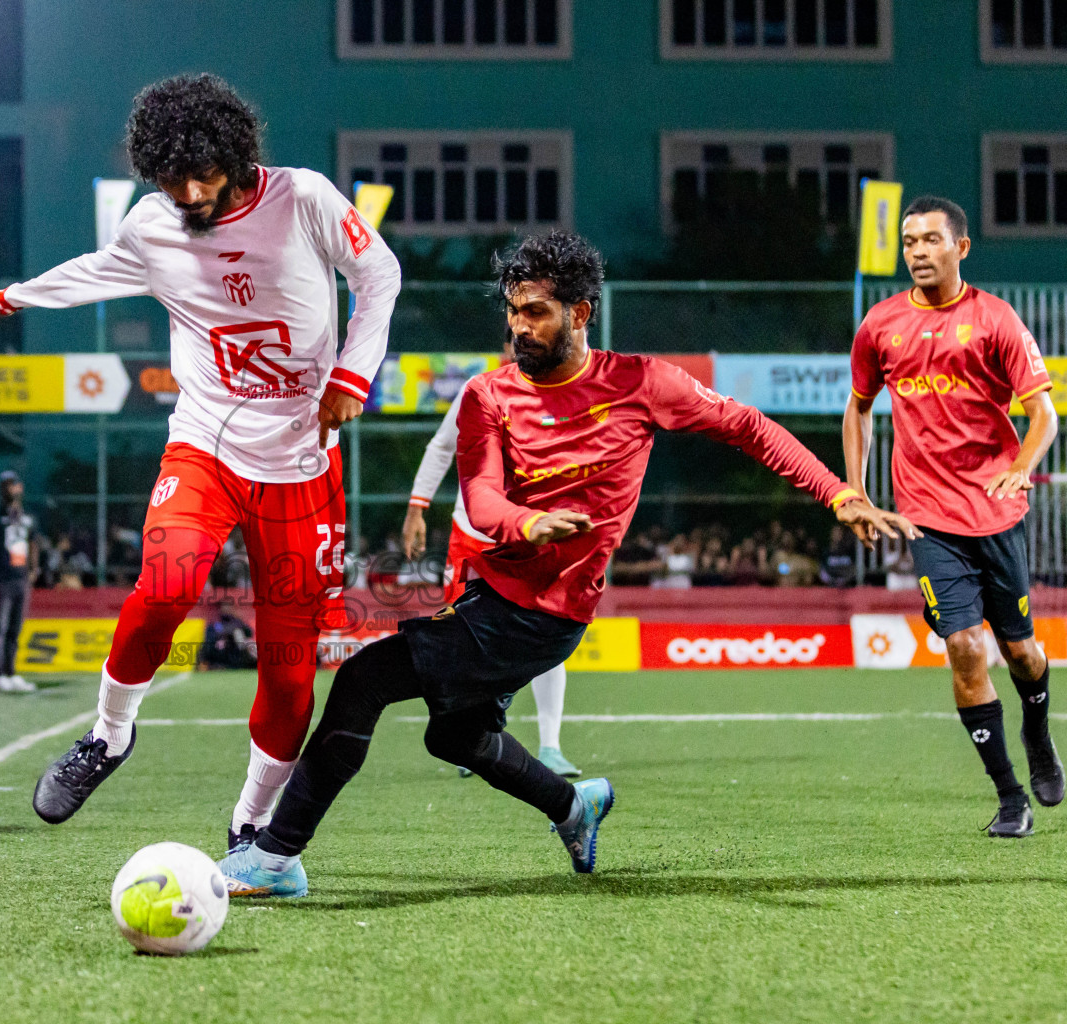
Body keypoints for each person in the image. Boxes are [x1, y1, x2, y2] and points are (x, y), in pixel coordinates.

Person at [219, 229, 914, 895]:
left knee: (365, 679)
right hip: (494, 594)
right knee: (455, 736)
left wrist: (837, 492)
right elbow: (483, 499)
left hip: (541, 617)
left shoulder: (644, 383)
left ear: (580, 313)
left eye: (536, 312)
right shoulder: (487, 395)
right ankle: (572, 805)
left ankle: (276, 856)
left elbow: (749, 428)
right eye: (513, 311)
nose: (520, 326)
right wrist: (530, 521)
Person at [0, 73, 400, 849]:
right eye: (172, 177)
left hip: (301, 464)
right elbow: (93, 270)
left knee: (291, 667)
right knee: (165, 586)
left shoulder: (305, 199)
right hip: (205, 447)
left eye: (205, 174)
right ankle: (108, 736)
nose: (190, 191)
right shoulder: (154, 224)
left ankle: (252, 825)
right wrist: (8, 299)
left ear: (236, 155)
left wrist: (353, 374)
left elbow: (378, 274)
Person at [843, 195, 1065, 838]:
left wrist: (1022, 464)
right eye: (909, 241)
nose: (917, 251)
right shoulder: (880, 324)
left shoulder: (995, 319)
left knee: (1022, 653)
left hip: (995, 512)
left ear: (960, 248)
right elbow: (857, 409)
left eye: (930, 240)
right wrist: (854, 490)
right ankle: (1010, 796)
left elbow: (1044, 415)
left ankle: (1039, 732)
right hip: (927, 517)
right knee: (966, 648)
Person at [402, 331, 581, 778]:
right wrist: (416, 508)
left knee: (544, 634)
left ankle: (551, 746)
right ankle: (470, 737)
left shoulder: (564, 400)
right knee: (462, 640)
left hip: (530, 534)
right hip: (473, 534)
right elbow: (443, 446)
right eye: (516, 343)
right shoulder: (477, 391)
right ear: (504, 350)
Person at [0, 470, 38, 692]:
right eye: (5, 485)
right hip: (1, 577)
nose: (9, 489)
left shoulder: (27, 516)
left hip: (20, 577)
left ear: (20, 487)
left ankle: (11, 671)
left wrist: (33, 569)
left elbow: (33, 542)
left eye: (12, 484)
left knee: (15, 626)